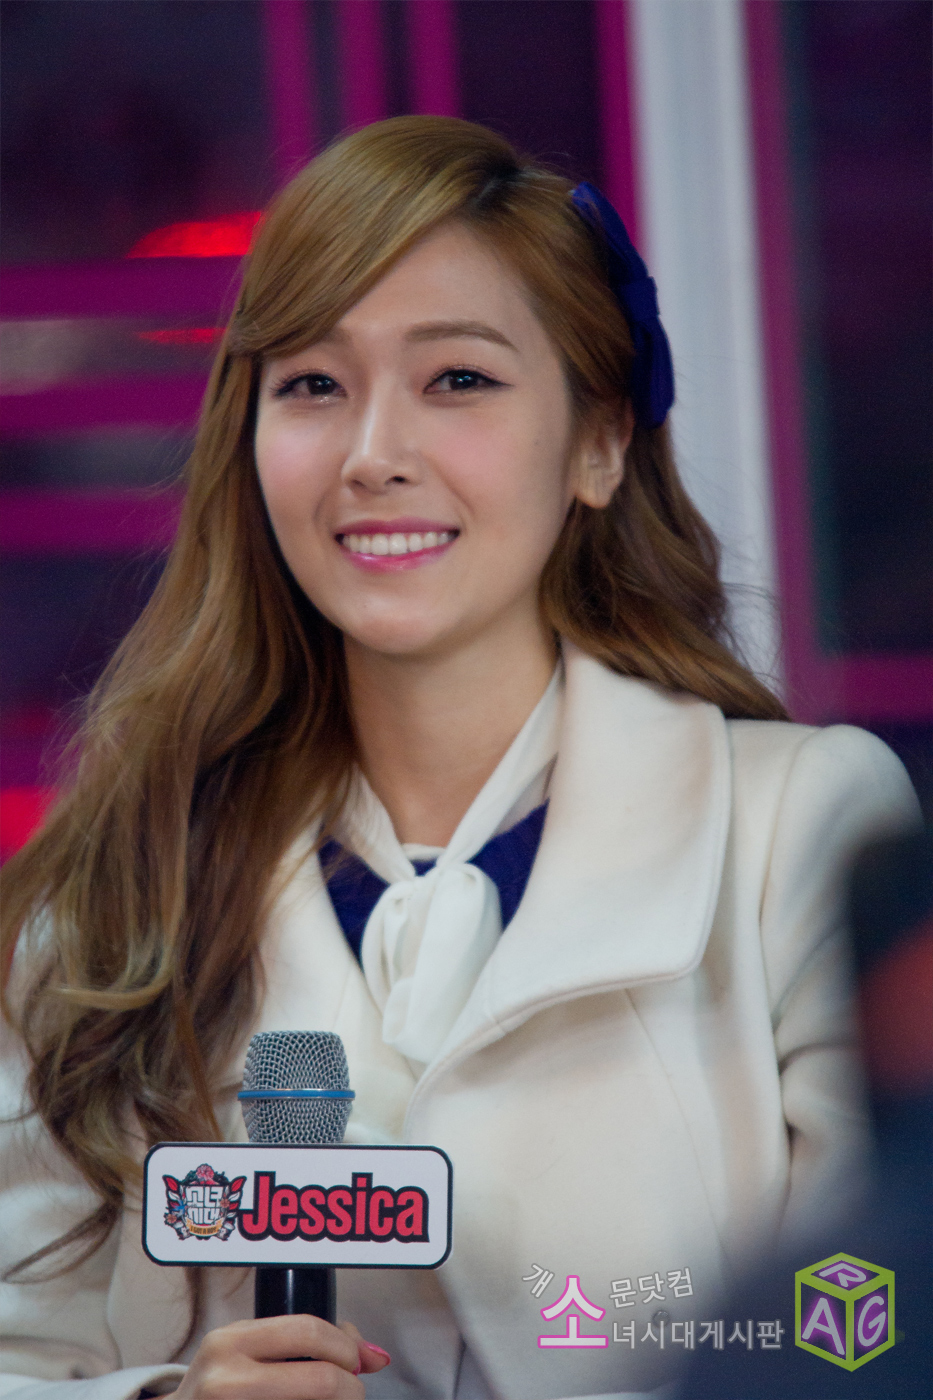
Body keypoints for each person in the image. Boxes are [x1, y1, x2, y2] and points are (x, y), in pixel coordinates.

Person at [0, 117, 919, 1400]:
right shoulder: (116, 876)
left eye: (459, 380)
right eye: (312, 386)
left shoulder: (796, 826)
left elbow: (873, 1324)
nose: (374, 454)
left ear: (600, 442)